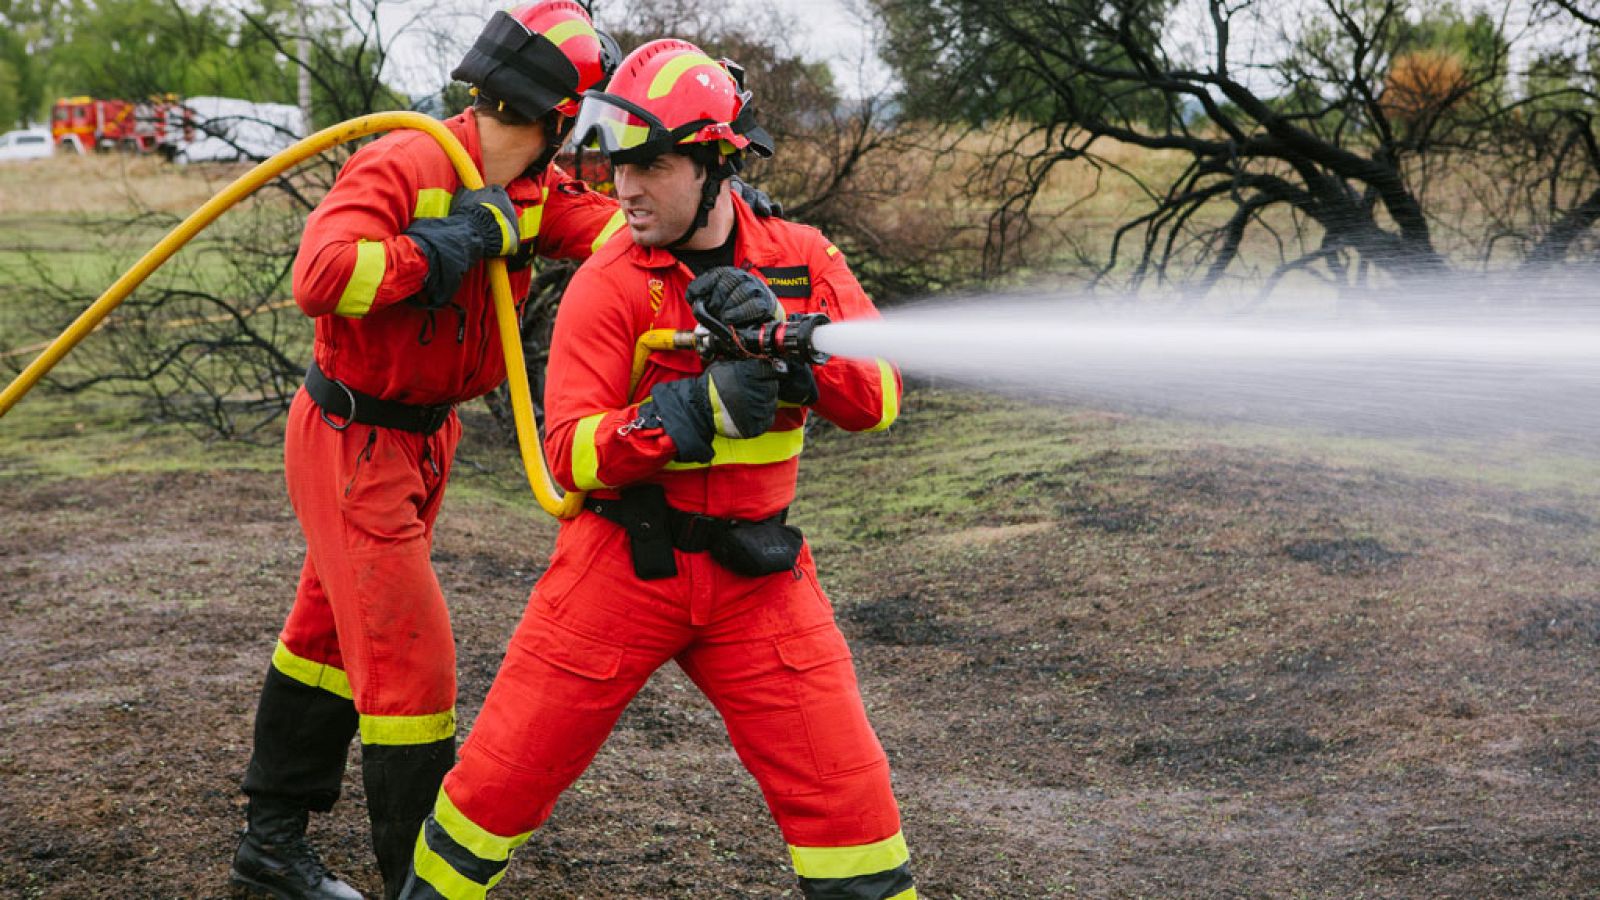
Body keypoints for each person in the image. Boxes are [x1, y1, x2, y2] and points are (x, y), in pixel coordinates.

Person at [397, 38, 916, 900]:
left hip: (759, 578)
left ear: (714, 163)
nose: (622, 190)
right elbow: (569, 454)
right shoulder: (609, 283)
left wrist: (803, 363)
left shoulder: (802, 257)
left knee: (851, 810)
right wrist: (690, 414)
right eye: (614, 167)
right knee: (492, 792)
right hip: (618, 570)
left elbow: (883, 397)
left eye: (649, 167)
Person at [229, 5, 625, 899]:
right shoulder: (409, 161)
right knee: (411, 660)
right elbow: (320, 278)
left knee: (327, 637)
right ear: (557, 116)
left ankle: (271, 841)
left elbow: (617, 232)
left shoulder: (531, 189)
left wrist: (714, 215)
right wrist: (439, 248)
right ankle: (421, 882)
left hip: (421, 439)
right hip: (353, 437)